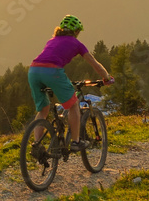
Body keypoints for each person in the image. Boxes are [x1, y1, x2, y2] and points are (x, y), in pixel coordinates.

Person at [27, 15, 113, 151]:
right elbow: (94, 63)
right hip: (52, 71)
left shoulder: (52, 40)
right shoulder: (77, 44)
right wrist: (107, 77)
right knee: (73, 105)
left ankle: (37, 145)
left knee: (43, 110)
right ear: (76, 31)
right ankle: (76, 142)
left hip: (33, 71)